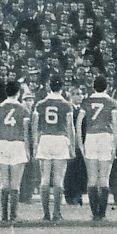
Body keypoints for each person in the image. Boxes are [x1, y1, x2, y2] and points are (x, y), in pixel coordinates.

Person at [32, 75, 75, 222]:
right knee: (58, 179)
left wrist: (35, 145)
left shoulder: (40, 104)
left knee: (44, 179)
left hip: (45, 139)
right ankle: (56, 213)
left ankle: (45, 214)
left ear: (49, 87)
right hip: (60, 139)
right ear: (62, 88)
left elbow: (35, 127)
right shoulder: (66, 104)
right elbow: (70, 127)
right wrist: (72, 146)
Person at [77, 75, 117, 221]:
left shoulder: (87, 101)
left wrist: (80, 142)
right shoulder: (111, 102)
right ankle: (102, 213)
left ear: (93, 86)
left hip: (91, 137)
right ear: (106, 87)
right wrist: (115, 145)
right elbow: (115, 125)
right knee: (104, 178)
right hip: (105, 137)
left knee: (92, 178)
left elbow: (78, 122)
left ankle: (95, 213)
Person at [0, 80, 30, 222]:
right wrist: (27, 149)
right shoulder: (23, 109)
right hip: (17, 144)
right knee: (15, 184)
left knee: (4, 183)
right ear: (18, 93)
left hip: (2, 144)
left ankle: (4, 215)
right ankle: (13, 215)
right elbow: (26, 132)